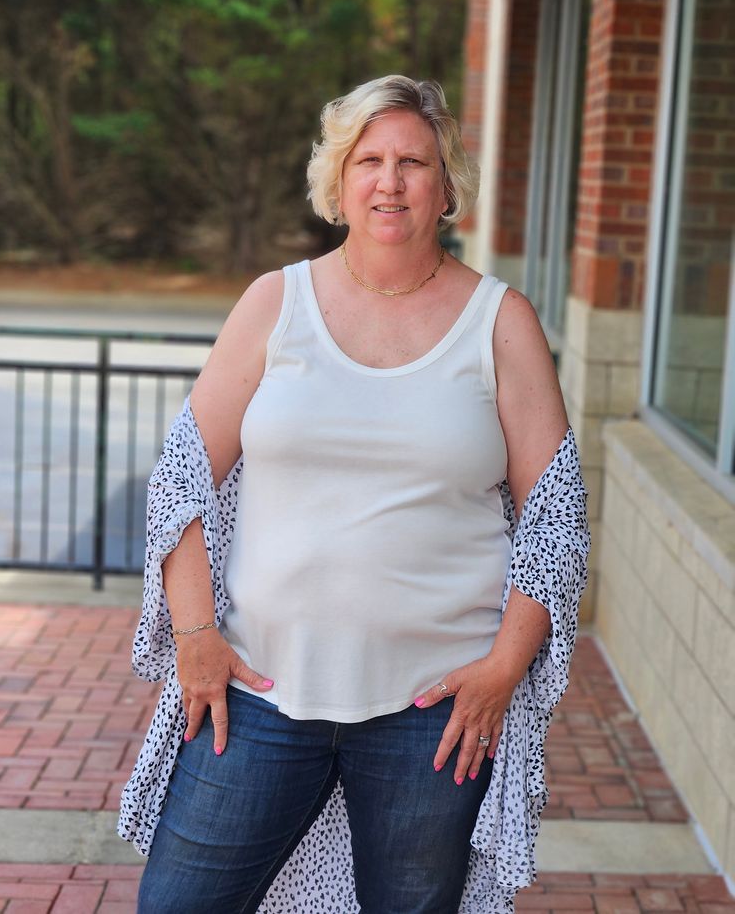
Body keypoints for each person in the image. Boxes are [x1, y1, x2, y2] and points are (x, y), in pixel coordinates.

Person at [119, 75, 590, 913]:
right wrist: (194, 637)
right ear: (338, 181)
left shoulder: (501, 321)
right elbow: (183, 475)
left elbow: (555, 515)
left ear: (447, 186)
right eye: (368, 159)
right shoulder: (275, 304)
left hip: (432, 714)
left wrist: (502, 670)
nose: (391, 179)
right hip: (259, 694)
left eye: (414, 160)